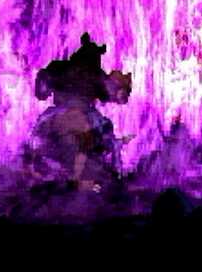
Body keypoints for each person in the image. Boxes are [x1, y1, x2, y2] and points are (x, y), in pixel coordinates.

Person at [28, 33, 133, 192]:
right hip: (84, 116)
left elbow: (41, 92)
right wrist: (122, 87)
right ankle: (115, 176)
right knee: (107, 137)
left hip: (55, 115)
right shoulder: (95, 73)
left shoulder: (58, 67)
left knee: (41, 142)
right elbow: (117, 97)